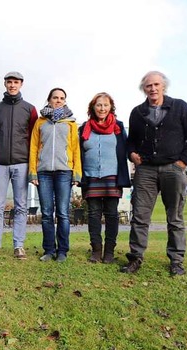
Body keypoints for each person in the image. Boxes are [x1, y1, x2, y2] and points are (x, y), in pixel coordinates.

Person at [121, 71, 187, 276]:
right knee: (140, 216)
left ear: (163, 86)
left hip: (173, 169)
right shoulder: (137, 112)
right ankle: (136, 258)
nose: (153, 88)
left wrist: (183, 162)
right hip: (145, 170)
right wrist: (132, 154)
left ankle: (176, 261)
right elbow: (131, 140)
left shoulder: (179, 107)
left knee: (174, 217)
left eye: (156, 84)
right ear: (143, 89)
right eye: (148, 86)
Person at [0, 71, 38, 258]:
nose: (12, 85)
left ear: (21, 84)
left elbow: (34, 136)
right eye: (9, 82)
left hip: (21, 163)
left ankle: (19, 245)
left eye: (15, 82)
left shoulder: (30, 109)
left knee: (21, 205)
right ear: (5, 84)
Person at [28, 88, 81, 263]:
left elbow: (75, 149)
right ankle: (49, 250)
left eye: (62, 98)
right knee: (46, 213)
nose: (58, 100)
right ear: (49, 100)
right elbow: (34, 147)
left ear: (65, 101)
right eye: (55, 98)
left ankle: (63, 251)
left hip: (64, 172)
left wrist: (76, 174)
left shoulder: (71, 123)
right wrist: (33, 172)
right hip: (43, 173)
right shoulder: (40, 122)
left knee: (63, 213)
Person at [79, 93, 130, 263]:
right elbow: (79, 151)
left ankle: (109, 252)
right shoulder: (84, 127)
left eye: (105, 105)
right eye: (99, 105)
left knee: (111, 215)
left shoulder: (118, 127)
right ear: (93, 107)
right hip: (90, 176)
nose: (102, 108)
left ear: (111, 107)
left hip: (112, 177)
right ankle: (96, 250)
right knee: (93, 214)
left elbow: (126, 150)